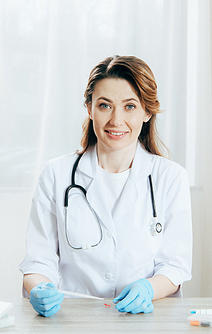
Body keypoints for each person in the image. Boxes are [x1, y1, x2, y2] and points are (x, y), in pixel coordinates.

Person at [19, 55, 192, 317]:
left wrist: (148, 288)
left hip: (145, 321)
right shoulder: (56, 175)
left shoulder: (170, 178)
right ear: (89, 109)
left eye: (130, 106)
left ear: (147, 112)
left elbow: (174, 266)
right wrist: (39, 287)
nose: (116, 120)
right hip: (74, 319)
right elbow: (38, 260)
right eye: (105, 105)